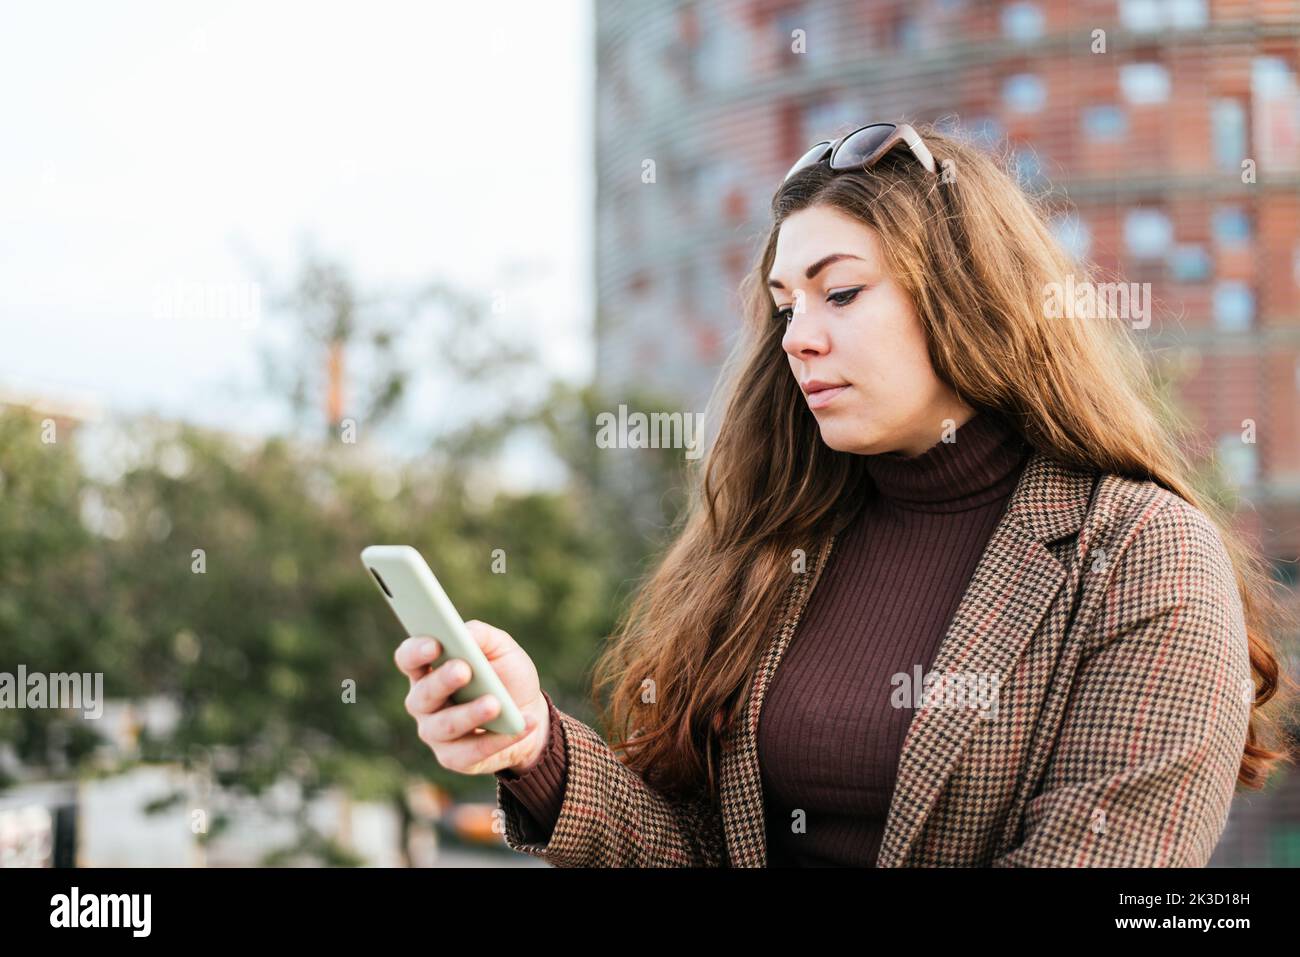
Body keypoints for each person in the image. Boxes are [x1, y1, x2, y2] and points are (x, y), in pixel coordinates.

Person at [393, 120, 1294, 867]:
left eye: (842, 293)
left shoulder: (1142, 552)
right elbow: (710, 849)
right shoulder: (783, 534)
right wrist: (539, 753)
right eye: (787, 305)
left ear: (970, 300)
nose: (797, 339)